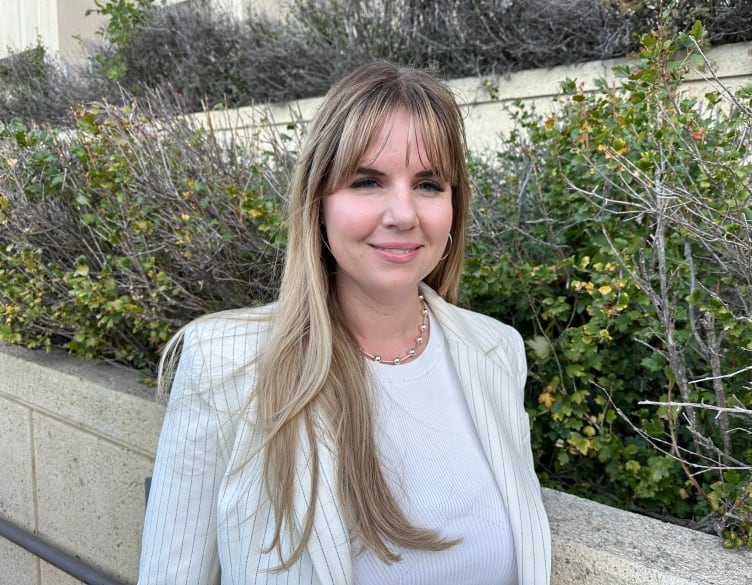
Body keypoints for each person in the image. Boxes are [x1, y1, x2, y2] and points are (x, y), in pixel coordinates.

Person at [137, 61, 551, 585]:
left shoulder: (496, 350)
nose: (403, 213)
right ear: (318, 203)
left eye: (428, 184)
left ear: (454, 206)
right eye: (366, 181)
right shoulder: (225, 360)